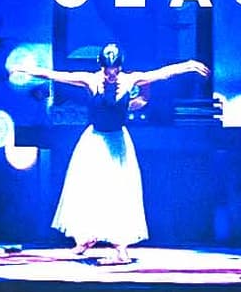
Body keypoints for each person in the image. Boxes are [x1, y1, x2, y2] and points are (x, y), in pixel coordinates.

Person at [43, 42, 206, 259]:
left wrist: (188, 65)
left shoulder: (129, 80)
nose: (111, 74)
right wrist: (26, 69)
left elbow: (160, 74)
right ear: (101, 66)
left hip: (117, 142)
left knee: (119, 190)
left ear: (120, 67)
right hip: (94, 141)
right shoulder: (91, 80)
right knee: (88, 188)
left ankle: (120, 244)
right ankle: (85, 237)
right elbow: (59, 76)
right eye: (108, 69)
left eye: (115, 69)